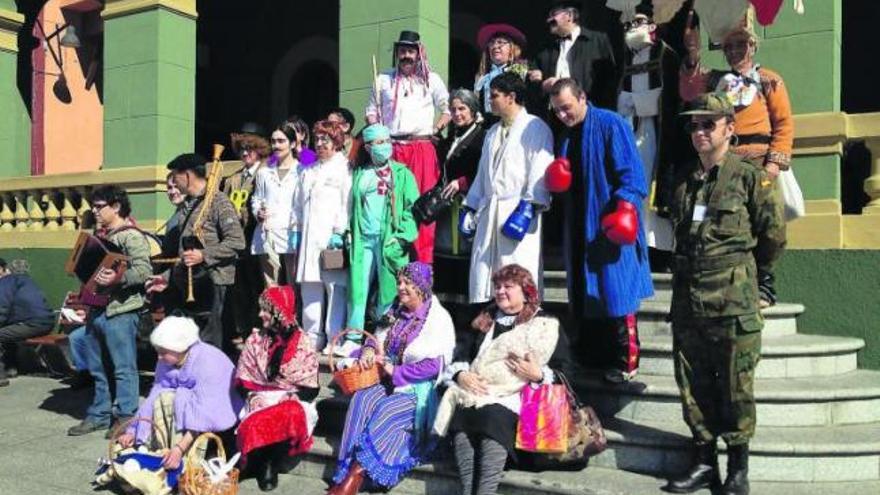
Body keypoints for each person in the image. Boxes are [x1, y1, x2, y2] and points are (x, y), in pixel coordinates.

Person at [663, 93, 785, 495]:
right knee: (692, 383)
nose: (698, 132)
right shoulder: (683, 179)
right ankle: (702, 462)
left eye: (707, 124)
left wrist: (758, 278)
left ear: (729, 128)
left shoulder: (751, 177)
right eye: (693, 126)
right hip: (689, 299)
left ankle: (738, 468)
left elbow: (772, 235)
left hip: (733, 299)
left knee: (736, 385)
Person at [680, 14, 793, 307]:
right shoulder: (716, 81)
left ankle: (765, 286)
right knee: (727, 221)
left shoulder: (769, 80)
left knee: (763, 224)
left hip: (758, 161)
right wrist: (692, 52)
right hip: (726, 162)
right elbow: (689, 91)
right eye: (728, 47)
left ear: (752, 47)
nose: (734, 52)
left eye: (740, 45)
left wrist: (772, 166)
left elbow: (783, 125)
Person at [547, 78, 654, 383]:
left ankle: (627, 362)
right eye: (557, 111)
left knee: (616, 292)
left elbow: (633, 175)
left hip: (608, 221)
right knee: (584, 293)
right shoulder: (567, 135)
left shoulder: (611, 123)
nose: (563, 115)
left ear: (583, 97)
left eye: (566, 108)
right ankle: (591, 359)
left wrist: (625, 208)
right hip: (579, 224)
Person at [433, 264, 573, 495]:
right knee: (461, 417)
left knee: (492, 416)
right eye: (497, 287)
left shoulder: (544, 324)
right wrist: (461, 374)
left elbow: (566, 370)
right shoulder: (485, 320)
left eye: (508, 286)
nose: (500, 291)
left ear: (525, 291)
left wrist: (538, 375)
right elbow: (463, 355)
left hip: (520, 396)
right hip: (478, 390)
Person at [328, 262, 455, 495]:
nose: (401, 287)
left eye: (408, 283)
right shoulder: (393, 310)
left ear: (422, 286)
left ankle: (356, 476)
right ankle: (346, 468)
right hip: (383, 378)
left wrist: (396, 372)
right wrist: (367, 351)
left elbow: (435, 365)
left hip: (416, 387)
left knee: (387, 410)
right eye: (399, 282)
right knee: (361, 401)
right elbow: (373, 338)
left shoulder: (438, 320)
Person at [460, 72, 553, 305]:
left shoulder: (535, 127)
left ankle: (522, 319)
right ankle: (491, 321)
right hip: (489, 209)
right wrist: (470, 206)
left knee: (517, 269)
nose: (490, 100)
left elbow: (541, 167)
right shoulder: (492, 132)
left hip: (517, 209)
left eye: (494, 96)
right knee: (486, 275)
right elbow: (483, 173)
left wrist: (529, 207)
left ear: (511, 97)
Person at [68, 186, 152, 437]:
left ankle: (126, 418)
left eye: (99, 206)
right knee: (97, 367)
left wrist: (117, 279)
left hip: (122, 310)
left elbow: (144, 271)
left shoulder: (132, 236)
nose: (94, 211)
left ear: (116, 206)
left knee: (123, 368)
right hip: (97, 309)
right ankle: (99, 415)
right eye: (92, 206)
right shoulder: (99, 235)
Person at [366, 30, 451, 264]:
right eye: (402, 51)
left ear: (418, 53)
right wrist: (377, 131)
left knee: (422, 206)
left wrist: (436, 129)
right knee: (389, 204)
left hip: (421, 147)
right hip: (391, 148)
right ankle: (392, 264)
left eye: (410, 51)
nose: (406, 55)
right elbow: (371, 111)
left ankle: (422, 267)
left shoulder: (431, 80)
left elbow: (448, 109)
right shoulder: (382, 79)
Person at [115, 316, 242, 472]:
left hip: (220, 416)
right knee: (165, 397)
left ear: (181, 348)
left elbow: (203, 414)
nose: (159, 358)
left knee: (179, 400)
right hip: (193, 410)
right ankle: (164, 452)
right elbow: (154, 397)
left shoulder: (209, 363)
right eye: (158, 352)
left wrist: (179, 448)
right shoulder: (167, 361)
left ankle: (191, 455)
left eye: (163, 353)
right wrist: (133, 432)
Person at [147, 153, 246, 348]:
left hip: (214, 281)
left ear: (188, 176)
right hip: (190, 283)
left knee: (209, 342)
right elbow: (185, 254)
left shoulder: (219, 202)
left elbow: (237, 242)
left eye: (175, 175)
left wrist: (204, 255)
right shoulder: (188, 206)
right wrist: (166, 277)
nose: (173, 181)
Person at [617, 5, 687, 272]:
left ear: (652, 26)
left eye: (638, 22)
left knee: (652, 190)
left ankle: (657, 253)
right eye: (628, 24)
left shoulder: (665, 55)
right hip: (629, 131)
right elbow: (619, 97)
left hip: (654, 134)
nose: (632, 27)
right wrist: (626, 104)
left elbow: (667, 99)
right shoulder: (626, 58)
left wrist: (636, 102)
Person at [235, 285, 319, 491]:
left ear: (279, 313)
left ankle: (270, 464)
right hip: (260, 395)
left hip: (294, 398)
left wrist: (292, 395)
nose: (260, 314)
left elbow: (312, 387)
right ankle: (256, 462)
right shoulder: (255, 340)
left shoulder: (303, 343)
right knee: (259, 414)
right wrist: (253, 396)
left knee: (289, 412)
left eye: (265, 310)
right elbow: (242, 380)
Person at [347, 124, 419, 335]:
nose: (385, 146)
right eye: (379, 143)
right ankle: (353, 335)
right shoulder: (358, 172)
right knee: (357, 287)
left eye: (387, 141)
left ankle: (384, 335)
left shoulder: (402, 173)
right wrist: (345, 232)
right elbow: (349, 205)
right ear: (368, 147)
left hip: (389, 239)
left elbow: (413, 209)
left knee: (390, 287)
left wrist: (401, 237)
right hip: (363, 239)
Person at [290, 120, 352, 353]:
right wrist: (296, 231)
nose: (320, 144)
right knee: (310, 289)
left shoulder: (343, 167)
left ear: (336, 141)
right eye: (317, 140)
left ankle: (334, 337)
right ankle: (311, 337)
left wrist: (339, 232)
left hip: (331, 240)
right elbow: (297, 204)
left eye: (325, 139)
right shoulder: (309, 169)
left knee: (335, 289)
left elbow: (347, 203)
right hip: (308, 240)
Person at [433, 89, 486, 295]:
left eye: (462, 109)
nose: (457, 114)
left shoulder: (482, 137)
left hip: (469, 204)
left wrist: (463, 182)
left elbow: (485, 169)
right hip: (448, 206)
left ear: (473, 111)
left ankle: (466, 308)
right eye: (453, 110)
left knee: (466, 253)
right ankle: (448, 306)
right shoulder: (450, 139)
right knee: (445, 252)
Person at [222, 123, 269, 347]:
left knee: (259, 286)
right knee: (240, 289)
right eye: (241, 149)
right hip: (236, 241)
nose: (245, 153)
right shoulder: (232, 179)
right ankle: (244, 327)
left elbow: (304, 159)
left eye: (249, 149)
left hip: (257, 238)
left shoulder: (267, 171)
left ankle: (261, 327)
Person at [529, 0, 617, 112]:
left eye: (553, 15)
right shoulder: (544, 49)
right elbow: (533, 82)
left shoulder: (597, 41)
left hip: (589, 112)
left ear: (569, 15)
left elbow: (610, 80)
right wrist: (541, 84)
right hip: (555, 115)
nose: (548, 20)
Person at [251, 120, 305, 287]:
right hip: (267, 233)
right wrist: (257, 212)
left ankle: (293, 314)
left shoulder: (304, 171)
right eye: (273, 141)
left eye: (281, 141)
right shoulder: (264, 172)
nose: (276, 145)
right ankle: (276, 314)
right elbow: (256, 199)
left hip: (293, 233)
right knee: (271, 287)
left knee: (293, 285)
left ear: (293, 143)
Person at [0, 258, 55, 386]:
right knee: (8, 332)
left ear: (3, 269)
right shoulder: (21, 279)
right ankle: (10, 368)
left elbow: (2, 308)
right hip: (44, 321)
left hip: (33, 323)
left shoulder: (5, 281)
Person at [473, 23, 529, 125]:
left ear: (512, 48)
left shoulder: (521, 72)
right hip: (487, 126)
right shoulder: (482, 79)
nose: (495, 46)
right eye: (492, 43)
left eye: (501, 42)